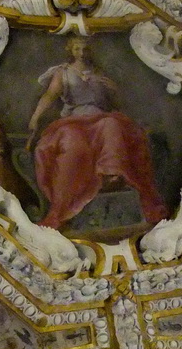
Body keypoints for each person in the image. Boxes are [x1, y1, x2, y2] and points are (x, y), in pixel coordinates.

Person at [26, 35, 167, 230]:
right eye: (77, 49)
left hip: (100, 119)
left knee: (112, 125)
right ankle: (65, 202)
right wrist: (35, 118)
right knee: (72, 143)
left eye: (84, 49)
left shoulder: (99, 73)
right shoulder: (63, 72)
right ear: (71, 50)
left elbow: (116, 105)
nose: (81, 53)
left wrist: (114, 91)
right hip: (74, 121)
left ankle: (110, 174)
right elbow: (49, 96)